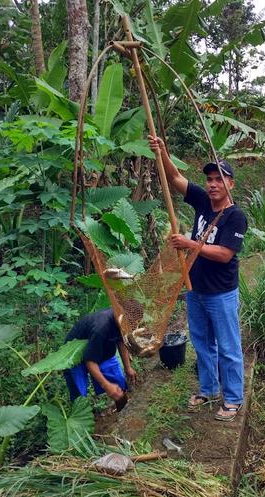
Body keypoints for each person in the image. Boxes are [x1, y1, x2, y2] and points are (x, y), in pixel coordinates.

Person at [148, 136, 247, 422]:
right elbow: (175, 177)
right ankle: (208, 389)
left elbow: (225, 254)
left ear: (231, 185)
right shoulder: (203, 201)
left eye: (219, 179)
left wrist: (190, 244)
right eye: (210, 179)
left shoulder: (235, 216)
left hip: (221, 293)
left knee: (228, 348)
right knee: (202, 344)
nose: (213, 184)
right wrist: (163, 152)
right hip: (195, 290)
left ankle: (233, 399)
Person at [63, 308, 137, 409]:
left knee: (119, 384)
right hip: (75, 356)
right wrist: (106, 385)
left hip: (102, 350)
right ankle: (82, 419)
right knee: (79, 395)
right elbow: (90, 361)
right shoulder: (101, 327)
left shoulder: (123, 318)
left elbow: (121, 341)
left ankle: (122, 410)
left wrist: (127, 367)